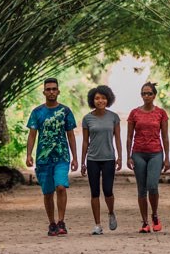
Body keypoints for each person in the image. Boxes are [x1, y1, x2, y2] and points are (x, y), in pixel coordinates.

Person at [25, 78, 78, 236]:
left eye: (54, 89)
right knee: (48, 193)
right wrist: (28, 154)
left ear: (58, 91)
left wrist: (75, 157)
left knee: (61, 187)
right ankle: (52, 223)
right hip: (43, 159)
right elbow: (32, 135)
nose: (51, 92)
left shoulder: (66, 111)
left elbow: (71, 135)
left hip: (61, 157)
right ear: (44, 92)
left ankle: (61, 221)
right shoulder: (37, 112)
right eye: (48, 89)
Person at [125, 81, 170, 233]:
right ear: (141, 95)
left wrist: (167, 157)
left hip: (155, 153)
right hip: (138, 153)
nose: (146, 96)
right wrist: (128, 156)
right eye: (144, 93)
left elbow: (165, 137)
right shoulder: (134, 113)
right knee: (141, 189)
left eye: (149, 93)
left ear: (154, 95)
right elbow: (129, 136)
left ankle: (155, 215)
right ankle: (144, 222)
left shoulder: (161, 113)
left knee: (152, 186)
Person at [80, 85, 123, 235]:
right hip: (92, 159)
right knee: (95, 192)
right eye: (97, 98)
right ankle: (97, 225)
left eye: (103, 98)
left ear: (108, 99)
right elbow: (85, 141)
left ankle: (111, 212)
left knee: (108, 190)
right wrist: (83, 162)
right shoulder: (87, 119)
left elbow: (118, 139)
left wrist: (120, 157)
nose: (100, 101)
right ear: (93, 100)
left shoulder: (113, 117)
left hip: (109, 158)